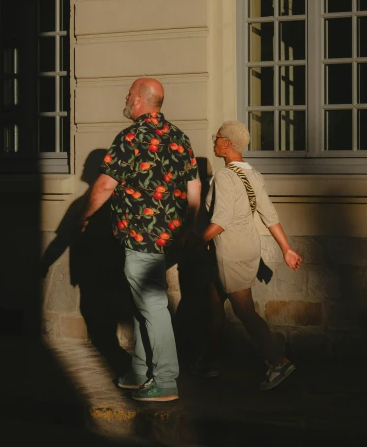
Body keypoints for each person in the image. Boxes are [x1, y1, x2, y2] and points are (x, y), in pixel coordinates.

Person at [80, 77, 201, 402]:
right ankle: (138, 370)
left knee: (152, 306)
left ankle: (165, 380)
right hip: (170, 238)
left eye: (129, 93)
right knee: (142, 304)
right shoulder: (179, 136)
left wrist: (86, 215)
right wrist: (189, 227)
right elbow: (194, 187)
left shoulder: (130, 137)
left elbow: (105, 185)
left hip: (142, 238)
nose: (126, 97)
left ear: (139, 100)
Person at [193, 120, 302, 391]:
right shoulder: (253, 174)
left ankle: (278, 362)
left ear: (227, 143)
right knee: (214, 308)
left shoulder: (224, 176)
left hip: (229, 252)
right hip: (242, 248)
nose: (214, 141)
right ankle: (207, 361)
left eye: (217, 137)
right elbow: (270, 216)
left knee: (245, 311)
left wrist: (193, 242)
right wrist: (286, 249)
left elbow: (220, 221)